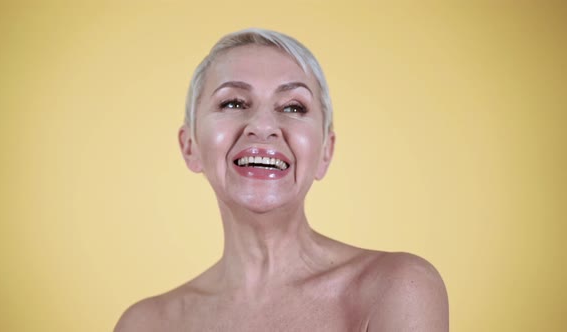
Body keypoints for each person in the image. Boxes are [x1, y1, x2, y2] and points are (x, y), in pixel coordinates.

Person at [115, 28, 448, 331]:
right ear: (190, 147)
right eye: (233, 102)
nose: (262, 125)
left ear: (325, 152)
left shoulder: (398, 287)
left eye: (292, 107)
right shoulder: (144, 323)